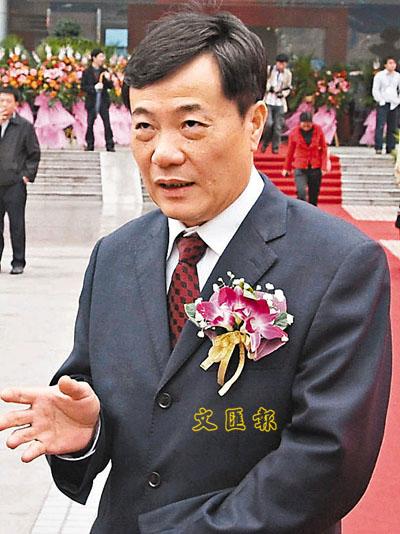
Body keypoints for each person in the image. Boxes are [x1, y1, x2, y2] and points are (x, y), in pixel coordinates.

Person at [0, 9, 392, 534]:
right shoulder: (114, 256)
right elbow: (92, 389)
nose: (163, 154)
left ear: (253, 124)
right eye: (144, 126)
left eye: (191, 125)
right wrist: (87, 435)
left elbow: (327, 459)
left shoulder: (339, 263)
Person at [0, 86, 40, 275]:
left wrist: (26, 175)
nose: (3, 105)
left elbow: (34, 153)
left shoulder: (24, 126)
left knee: (17, 225)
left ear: (16, 104)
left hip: (14, 184)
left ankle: (18, 261)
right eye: (0, 101)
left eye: (8, 101)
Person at [283, 111, 328, 206]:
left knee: (313, 196)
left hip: (315, 167)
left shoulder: (318, 130)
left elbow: (324, 149)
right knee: (301, 192)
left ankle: (312, 213)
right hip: (300, 167)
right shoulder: (294, 132)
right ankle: (301, 211)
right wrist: (287, 168)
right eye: (304, 124)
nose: (307, 126)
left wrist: (324, 166)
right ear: (300, 123)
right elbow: (290, 151)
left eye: (309, 124)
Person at [81, 49, 115, 152]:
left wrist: (109, 79)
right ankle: (90, 144)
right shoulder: (87, 72)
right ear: (94, 58)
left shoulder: (104, 71)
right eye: (100, 57)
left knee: (107, 123)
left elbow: (110, 86)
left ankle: (110, 144)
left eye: (103, 57)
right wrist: (94, 88)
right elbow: (83, 87)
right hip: (92, 101)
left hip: (103, 101)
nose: (103, 59)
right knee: (90, 123)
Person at [261, 52, 292, 153]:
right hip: (269, 100)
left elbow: (288, 87)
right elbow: (263, 82)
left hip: (279, 102)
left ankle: (275, 147)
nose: (281, 65)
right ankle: (265, 143)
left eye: (283, 63)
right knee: (269, 124)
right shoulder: (270, 70)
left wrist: (283, 93)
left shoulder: (288, 74)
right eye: (279, 63)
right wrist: (272, 88)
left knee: (278, 127)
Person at [372, 56, 400, 155]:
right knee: (380, 125)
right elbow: (375, 89)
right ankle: (378, 147)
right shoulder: (380, 76)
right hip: (383, 103)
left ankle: (391, 147)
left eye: (394, 63)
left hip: (394, 103)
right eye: (390, 63)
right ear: (385, 65)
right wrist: (380, 100)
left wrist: (398, 100)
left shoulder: (398, 76)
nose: (392, 65)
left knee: (393, 127)